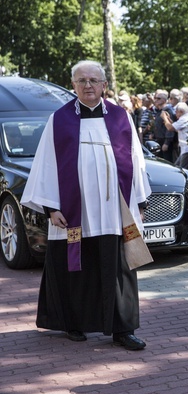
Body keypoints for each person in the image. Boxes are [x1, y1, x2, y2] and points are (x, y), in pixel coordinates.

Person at [21, 60, 151, 350]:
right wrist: (51, 208)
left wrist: (140, 200)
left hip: (113, 211)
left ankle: (123, 329)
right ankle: (74, 324)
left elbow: (136, 160)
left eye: (94, 80)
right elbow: (46, 165)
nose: (88, 85)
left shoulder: (121, 117)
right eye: (82, 81)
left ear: (104, 85)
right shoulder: (59, 119)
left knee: (119, 266)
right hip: (73, 213)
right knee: (75, 267)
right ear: (73, 86)